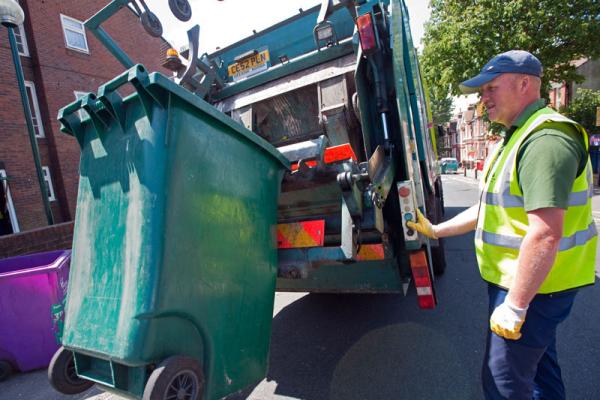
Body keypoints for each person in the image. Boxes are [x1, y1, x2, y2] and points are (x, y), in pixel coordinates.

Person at [408, 50, 597, 399]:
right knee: (540, 371)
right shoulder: (517, 136)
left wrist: (516, 306)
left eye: (492, 88)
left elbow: (545, 233)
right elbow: (488, 210)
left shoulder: (545, 141)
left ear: (524, 84)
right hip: (530, 285)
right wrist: (436, 230)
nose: (484, 99)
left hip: (537, 288)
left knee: (503, 382)